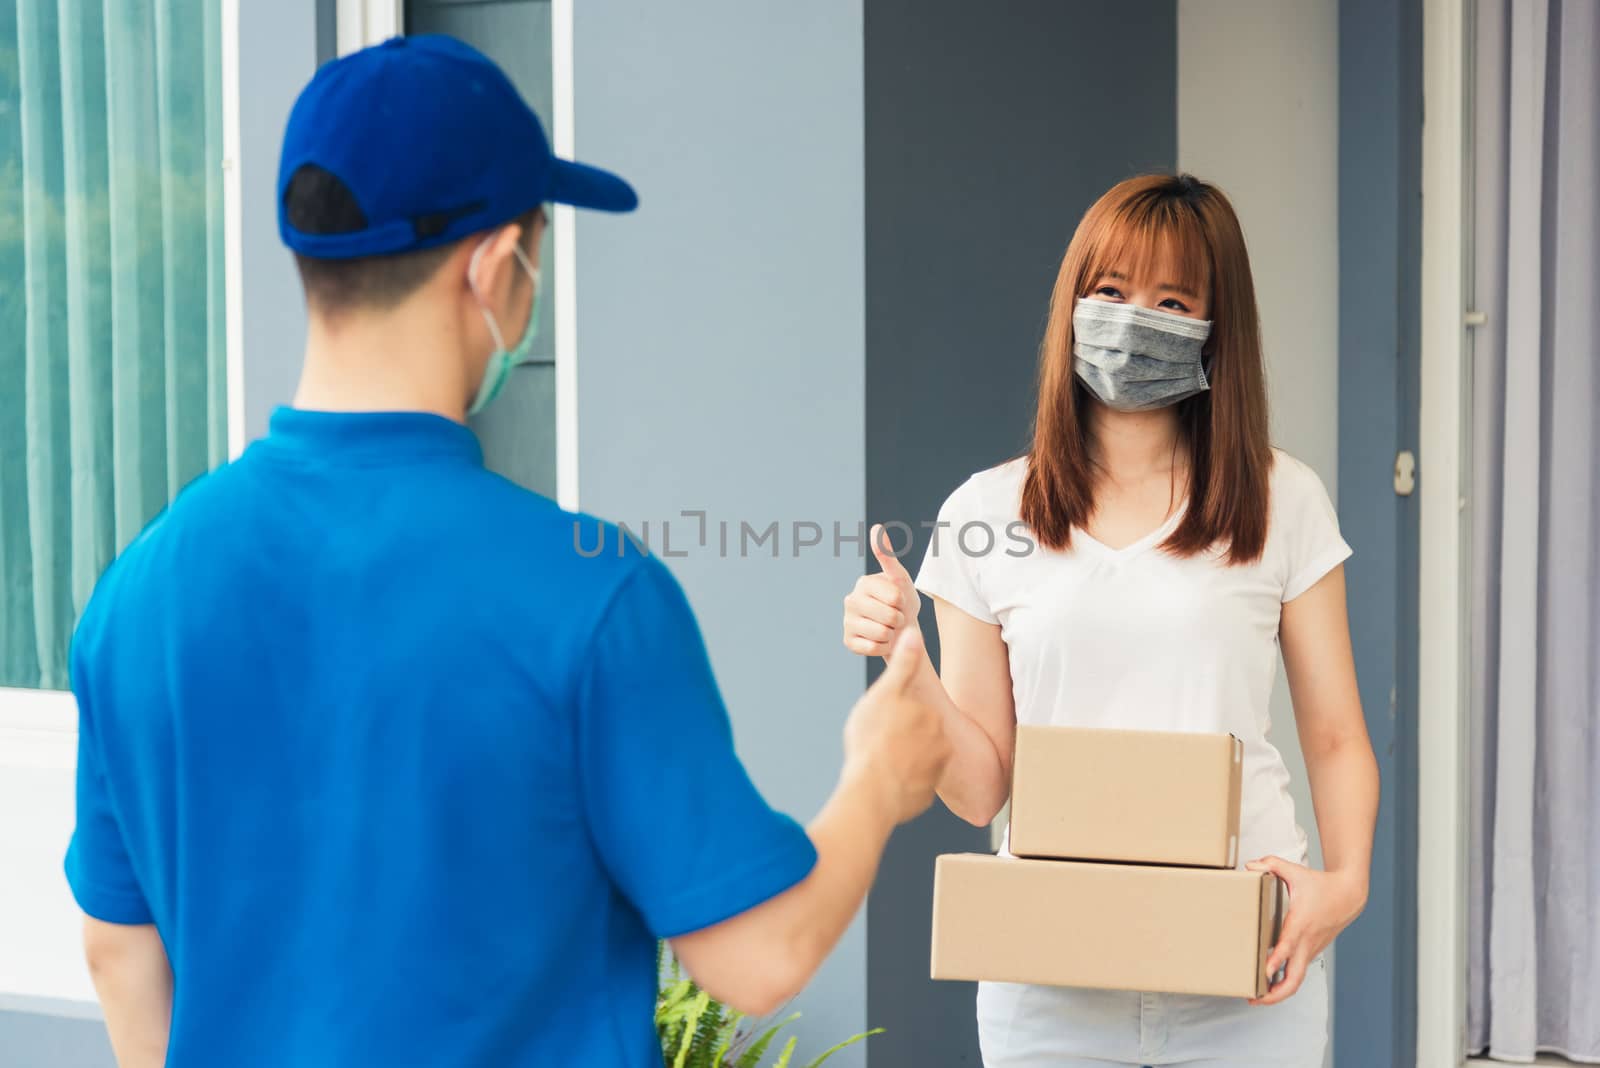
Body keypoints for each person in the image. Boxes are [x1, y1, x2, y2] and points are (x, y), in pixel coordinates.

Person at [64, 35, 948, 1068]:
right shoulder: (589, 590)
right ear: (493, 265)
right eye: (535, 243)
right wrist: (879, 775)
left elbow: (118, 954)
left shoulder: (138, 590)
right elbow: (756, 956)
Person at [842, 173, 1379, 1067]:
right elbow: (980, 789)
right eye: (1111, 292)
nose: (1136, 321)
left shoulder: (1284, 500)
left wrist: (1346, 886)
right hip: (1050, 980)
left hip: (1246, 966)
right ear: (1073, 305)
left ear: (1217, 328)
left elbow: (1334, 735)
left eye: (1173, 300)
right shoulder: (985, 511)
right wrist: (911, 663)